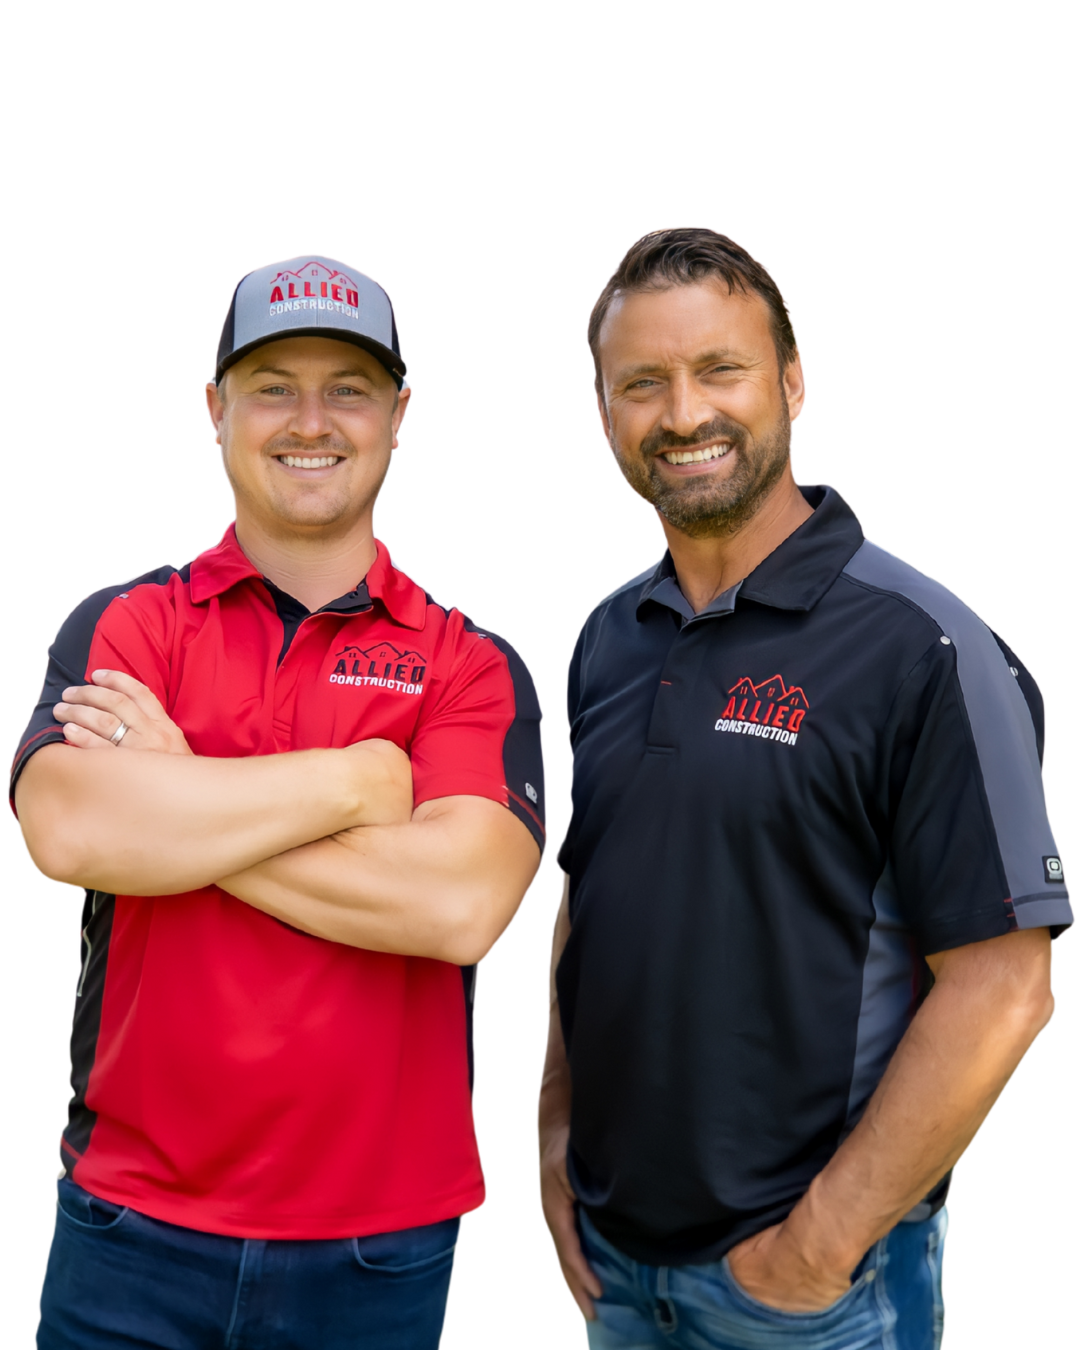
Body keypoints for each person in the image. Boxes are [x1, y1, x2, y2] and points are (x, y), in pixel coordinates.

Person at [536, 227, 1071, 1350]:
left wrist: (818, 1247)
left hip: (818, 1296)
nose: (683, 415)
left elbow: (1006, 988)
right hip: (619, 1276)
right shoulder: (607, 635)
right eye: (644, 383)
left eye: (719, 370)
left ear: (792, 381)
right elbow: (589, 900)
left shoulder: (923, 646)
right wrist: (553, 1139)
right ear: (603, 414)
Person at [13, 253, 545, 1349]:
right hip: (128, 1223)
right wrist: (361, 782)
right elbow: (70, 832)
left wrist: (178, 805)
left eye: (347, 387)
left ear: (399, 416)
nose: (312, 420)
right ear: (215, 411)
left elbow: (458, 909)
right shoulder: (127, 626)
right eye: (273, 386)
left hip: (378, 1247)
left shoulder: (469, 663)